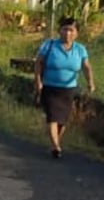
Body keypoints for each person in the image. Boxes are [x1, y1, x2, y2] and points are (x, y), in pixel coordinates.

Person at [34, 14, 95, 158]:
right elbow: (38, 63)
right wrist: (38, 81)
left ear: (76, 33)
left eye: (71, 30)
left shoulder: (80, 49)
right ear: (59, 31)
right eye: (65, 29)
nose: (67, 33)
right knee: (52, 117)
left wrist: (90, 82)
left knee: (62, 120)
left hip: (68, 90)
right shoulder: (49, 45)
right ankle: (56, 146)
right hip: (50, 87)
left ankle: (55, 143)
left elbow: (86, 67)